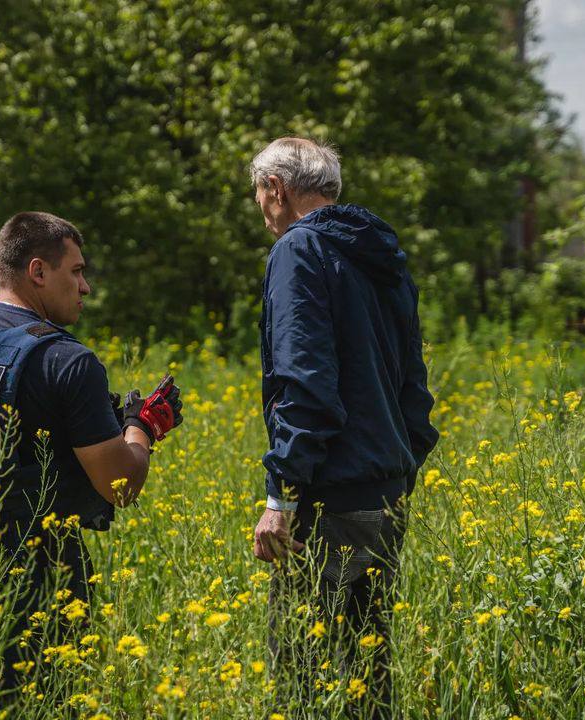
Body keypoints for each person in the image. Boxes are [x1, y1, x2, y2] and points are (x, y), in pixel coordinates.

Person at [0, 211, 183, 695]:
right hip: (40, 577)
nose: (86, 287)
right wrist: (143, 426)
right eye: (76, 271)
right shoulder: (66, 361)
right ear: (37, 272)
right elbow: (121, 486)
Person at [248, 137, 439, 717]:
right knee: (367, 681)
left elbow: (305, 380)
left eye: (258, 193)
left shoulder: (298, 251)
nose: (259, 206)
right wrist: (399, 466)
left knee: (302, 680)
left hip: (330, 497)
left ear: (277, 189)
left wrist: (281, 492)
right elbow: (414, 383)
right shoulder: (378, 252)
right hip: (386, 494)